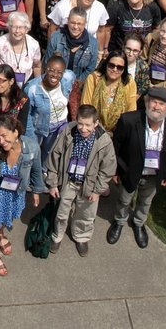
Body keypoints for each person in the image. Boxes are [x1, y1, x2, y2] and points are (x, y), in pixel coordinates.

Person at [108, 86, 166, 248]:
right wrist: (116, 171)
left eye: (162, 104)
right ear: (147, 102)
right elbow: (117, 148)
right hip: (130, 171)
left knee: (145, 202)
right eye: (154, 102)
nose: (157, 107)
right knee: (124, 199)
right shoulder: (128, 120)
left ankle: (138, 223)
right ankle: (119, 221)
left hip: (154, 175)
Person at [45, 104, 116, 256]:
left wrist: (98, 190)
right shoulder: (68, 132)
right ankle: (57, 236)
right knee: (62, 212)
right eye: (80, 124)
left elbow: (108, 168)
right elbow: (54, 156)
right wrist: (52, 183)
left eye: (88, 125)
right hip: (68, 181)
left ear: (96, 123)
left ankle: (81, 236)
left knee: (86, 214)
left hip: (89, 186)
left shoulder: (104, 141)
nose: (83, 128)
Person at [0, 114, 44, 276]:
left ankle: (1, 235)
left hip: (15, 192)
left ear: (16, 132)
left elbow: (36, 170)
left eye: (4, 136)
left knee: (6, 218)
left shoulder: (32, 147)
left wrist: (36, 191)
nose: (0, 141)